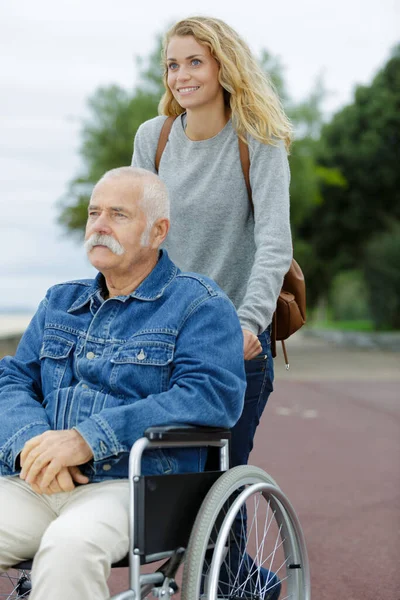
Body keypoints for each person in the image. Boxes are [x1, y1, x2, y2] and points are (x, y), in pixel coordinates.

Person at [0, 166, 246, 600]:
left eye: (118, 215)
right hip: (38, 482)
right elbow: (13, 379)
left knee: (69, 549)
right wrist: (35, 446)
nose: (99, 226)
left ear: (158, 231)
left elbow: (210, 397)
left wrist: (87, 439)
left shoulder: (199, 305)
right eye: (94, 213)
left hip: (131, 485)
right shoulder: (60, 300)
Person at [131, 15, 292, 598]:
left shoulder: (258, 140)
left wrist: (248, 323)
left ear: (224, 66)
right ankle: (228, 581)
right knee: (160, 476)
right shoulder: (156, 137)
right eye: (173, 64)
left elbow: (275, 243)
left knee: (217, 485)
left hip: (232, 345)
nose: (181, 75)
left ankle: (240, 585)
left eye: (194, 61)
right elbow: (139, 232)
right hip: (161, 340)